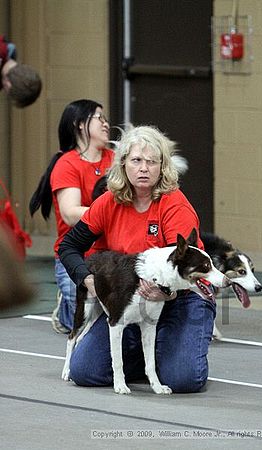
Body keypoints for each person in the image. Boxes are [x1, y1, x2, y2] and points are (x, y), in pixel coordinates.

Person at [58, 125, 216, 393]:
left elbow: (184, 267)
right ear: (123, 165)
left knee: (182, 379)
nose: (144, 168)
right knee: (84, 371)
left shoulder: (174, 204)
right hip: (132, 298)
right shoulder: (108, 202)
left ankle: (162, 352)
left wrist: (166, 293)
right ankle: (146, 355)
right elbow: (68, 246)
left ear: (162, 167)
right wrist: (86, 278)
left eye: (152, 161)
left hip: (182, 298)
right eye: (136, 160)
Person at [29, 99, 114, 332]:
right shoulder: (67, 165)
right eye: (99, 118)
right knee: (88, 324)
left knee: (117, 318)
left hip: (109, 254)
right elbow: (69, 213)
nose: (106, 124)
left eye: (105, 119)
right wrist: (110, 212)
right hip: (77, 256)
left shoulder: (115, 159)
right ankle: (66, 310)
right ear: (79, 124)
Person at [0, 34, 42, 107]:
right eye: (10, 93)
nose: (6, 92)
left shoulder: (6, 49)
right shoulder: (2, 50)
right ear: (8, 84)